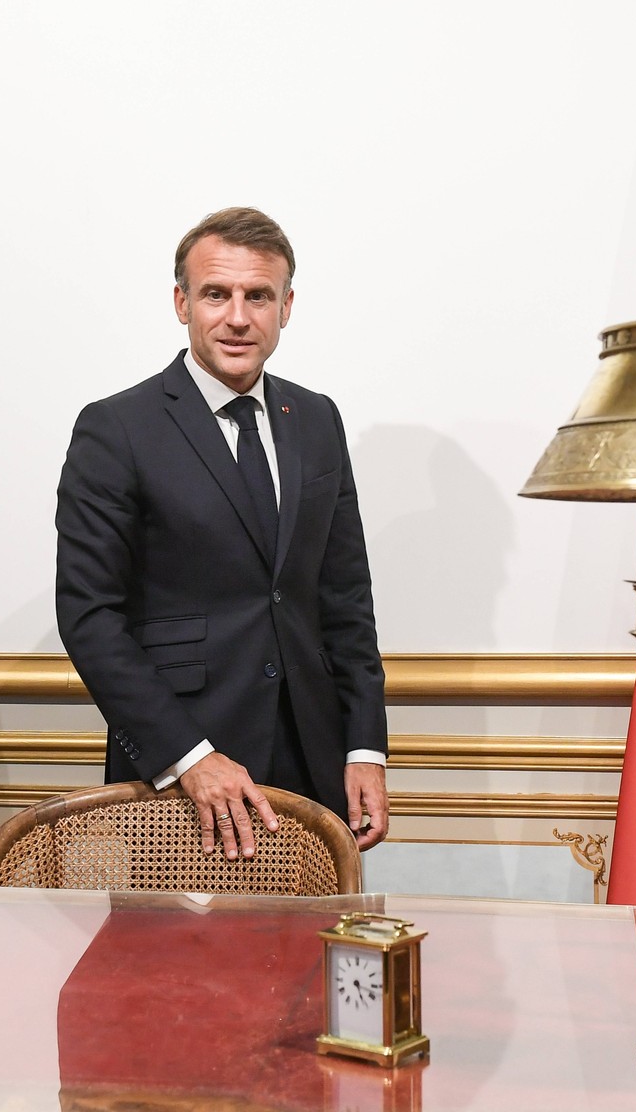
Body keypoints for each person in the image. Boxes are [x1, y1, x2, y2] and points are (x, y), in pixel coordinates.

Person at [55, 207, 388, 860]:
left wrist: (364, 746)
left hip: (313, 771)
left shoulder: (317, 419)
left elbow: (346, 598)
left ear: (286, 306)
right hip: (176, 783)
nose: (238, 317)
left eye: (258, 296)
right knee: (171, 964)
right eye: (217, 294)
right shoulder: (116, 429)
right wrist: (189, 758)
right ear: (182, 302)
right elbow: (90, 615)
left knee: (304, 960)